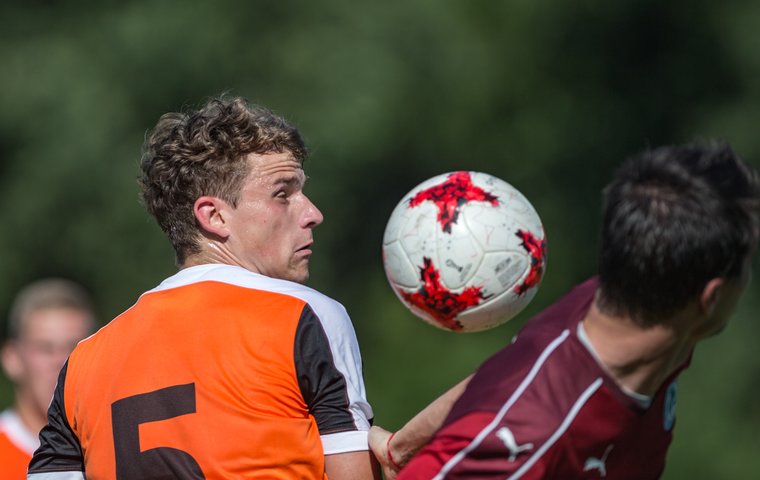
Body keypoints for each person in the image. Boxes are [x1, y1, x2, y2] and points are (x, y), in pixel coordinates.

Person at [27, 96, 380, 479]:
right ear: (213, 216)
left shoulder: (82, 362)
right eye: (283, 193)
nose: (313, 213)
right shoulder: (305, 316)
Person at [370, 142, 759, 479]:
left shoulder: (628, 302)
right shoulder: (518, 448)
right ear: (710, 298)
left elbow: (513, 367)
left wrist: (402, 447)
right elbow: (519, 402)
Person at [1, 279, 95, 479]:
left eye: (74, 348)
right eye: (45, 349)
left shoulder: (114, 449)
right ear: (12, 359)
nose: (61, 362)